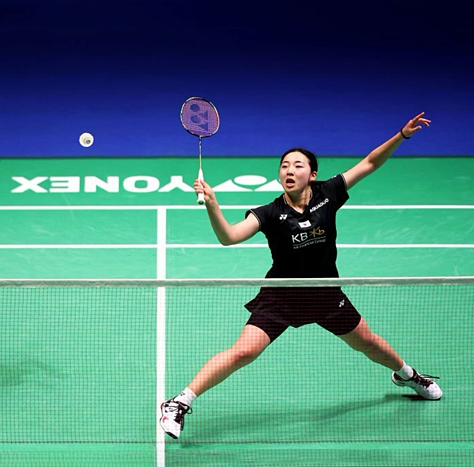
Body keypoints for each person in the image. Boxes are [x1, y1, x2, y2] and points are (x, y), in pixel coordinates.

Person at [159, 112, 441, 439]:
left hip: (325, 293)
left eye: (297, 165)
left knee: (367, 342)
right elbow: (229, 237)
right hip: (282, 295)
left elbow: (369, 163)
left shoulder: (328, 193)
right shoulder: (269, 213)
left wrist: (402, 136)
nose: (289, 171)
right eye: (284, 166)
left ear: (312, 174)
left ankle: (407, 375)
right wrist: (213, 205)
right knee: (243, 352)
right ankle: (179, 402)